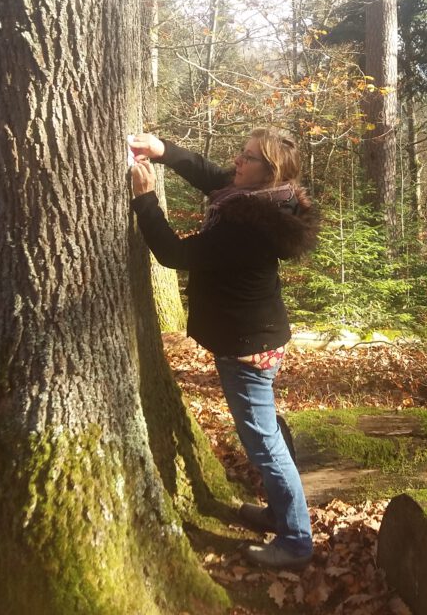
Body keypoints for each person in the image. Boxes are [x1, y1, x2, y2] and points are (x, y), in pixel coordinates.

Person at [128, 128, 318, 570]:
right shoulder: (266, 201)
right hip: (256, 336)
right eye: (242, 153)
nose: (237, 161)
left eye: (248, 158)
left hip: (248, 346)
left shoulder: (246, 223)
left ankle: (295, 540)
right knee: (266, 437)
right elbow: (211, 175)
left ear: (268, 172)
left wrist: (145, 200)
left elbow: (175, 254)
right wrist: (164, 151)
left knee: (264, 445)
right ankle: (277, 513)